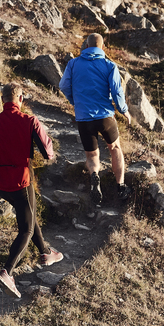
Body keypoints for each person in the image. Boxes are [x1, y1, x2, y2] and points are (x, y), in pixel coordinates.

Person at [0, 82, 63, 299]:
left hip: (0, 182)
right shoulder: (29, 121)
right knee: (26, 229)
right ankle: (7, 272)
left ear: (3, 100)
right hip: (21, 181)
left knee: (27, 214)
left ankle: (46, 253)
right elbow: (48, 152)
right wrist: (45, 152)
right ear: (21, 99)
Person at [58, 33, 132, 205]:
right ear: (103, 47)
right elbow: (116, 91)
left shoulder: (73, 63)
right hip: (105, 116)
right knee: (115, 148)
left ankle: (94, 176)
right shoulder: (109, 65)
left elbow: (63, 85)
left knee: (92, 154)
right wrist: (124, 111)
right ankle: (120, 186)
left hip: (84, 118)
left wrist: (75, 101)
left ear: (86, 46)